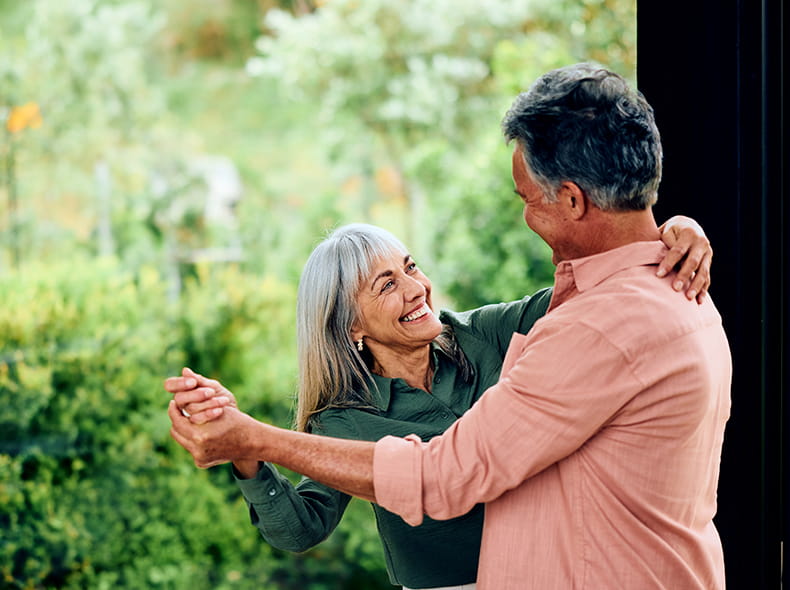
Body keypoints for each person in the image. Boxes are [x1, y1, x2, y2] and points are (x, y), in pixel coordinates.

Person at [167, 63, 730, 590]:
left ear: (574, 200)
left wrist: (673, 232)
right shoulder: (343, 416)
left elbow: (444, 474)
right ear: (349, 326)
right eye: (384, 285)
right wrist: (248, 453)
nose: (414, 288)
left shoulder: (542, 331)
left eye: (409, 268)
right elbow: (299, 527)